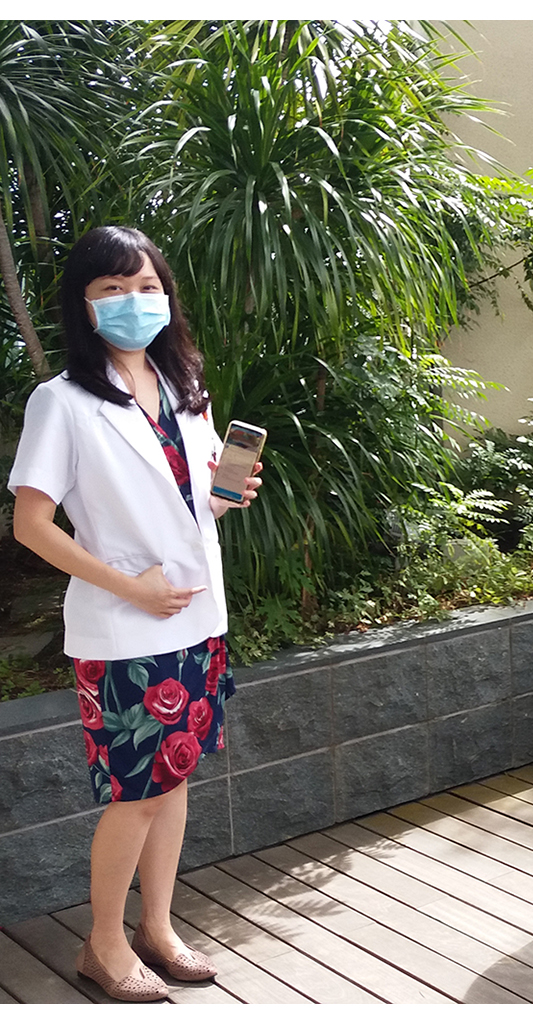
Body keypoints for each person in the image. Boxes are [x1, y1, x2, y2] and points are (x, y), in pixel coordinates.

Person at [9, 226, 263, 998]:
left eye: (146, 285)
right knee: (135, 792)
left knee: (175, 781)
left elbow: (190, 506)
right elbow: (30, 525)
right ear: (82, 307)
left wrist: (227, 498)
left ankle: (157, 926)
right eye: (111, 290)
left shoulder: (184, 385)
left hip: (196, 617)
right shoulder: (61, 402)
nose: (133, 301)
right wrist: (132, 587)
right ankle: (102, 943)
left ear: (167, 296)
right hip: (125, 629)